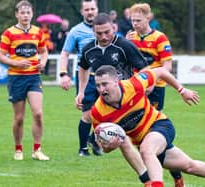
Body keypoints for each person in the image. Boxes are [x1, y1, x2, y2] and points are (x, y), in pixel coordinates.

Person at [91, 65, 205, 187]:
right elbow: (103, 146)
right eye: (98, 85)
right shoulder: (98, 113)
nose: (101, 89)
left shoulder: (135, 84)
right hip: (145, 141)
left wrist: (182, 90)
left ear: (116, 81)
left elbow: (160, 72)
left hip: (160, 125)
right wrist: (110, 146)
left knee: (147, 150)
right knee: (190, 166)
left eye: (105, 84)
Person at [76, 13, 149, 184]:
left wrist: (143, 88)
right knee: (102, 127)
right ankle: (88, 145)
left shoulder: (124, 46)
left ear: (113, 27)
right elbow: (83, 68)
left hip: (129, 98)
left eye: (107, 32)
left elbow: (144, 68)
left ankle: (174, 173)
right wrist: (81, 91)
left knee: (148, 143)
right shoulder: (88, 49)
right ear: (93, 31)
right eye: (99, 33)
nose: (103, 36)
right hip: (104, 97)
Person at [127, 3, 183, 186]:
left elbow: (167, 67)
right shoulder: (131, 37)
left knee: (151, 135)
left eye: (138, 20)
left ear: (148, 18)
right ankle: (172, 173)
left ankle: (161, 178)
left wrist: (150, 82)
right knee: (144, 138)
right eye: (132, 20)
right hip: (136, 89)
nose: (135, 24)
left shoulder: (160, 38)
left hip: (155, 90)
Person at [0, 0, 49, 161]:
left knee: (38, 113)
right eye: (22, 12)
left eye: (28, 12)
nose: (25, 15)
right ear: (17, 14)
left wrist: (43, 62)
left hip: (34, 77)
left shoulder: (38, 32)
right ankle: (18, 149)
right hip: (16, 78)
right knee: (19, 118)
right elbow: (0, 56)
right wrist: (16, 63)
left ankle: (37, 150)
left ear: (32, 14)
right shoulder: (9, 33)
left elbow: (43, 51)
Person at [59, 0, 101, 157]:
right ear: (82, 12)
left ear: (97, 10)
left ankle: (94, 139)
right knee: (89, 114)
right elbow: (65, 53)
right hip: (86, 77)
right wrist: (63, 74)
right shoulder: (76, 31)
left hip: (106, 76)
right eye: (87, 9)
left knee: (109, 112)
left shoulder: (106, 28)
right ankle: (83, 148)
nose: (90, 12)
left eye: (92, 9)